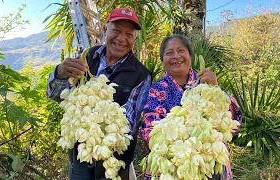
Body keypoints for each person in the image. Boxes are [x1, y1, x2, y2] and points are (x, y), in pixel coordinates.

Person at [46, 8, 151, 180]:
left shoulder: (141, 74)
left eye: (128, 34)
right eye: (116, 30)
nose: (121, 38)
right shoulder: (85, 57)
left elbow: (128, 124)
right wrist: (59, 73)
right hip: (80, 156)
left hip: (113, 162)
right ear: (105, 30)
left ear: (134, 39)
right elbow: (58, 96)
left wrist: (96, 135)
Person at [139, 34, 242, 180]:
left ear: (190, 55)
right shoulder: (156, 90)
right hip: (174, 165)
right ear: (163, 60)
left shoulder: (206, 83)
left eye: (181, 51)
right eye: (169, 53)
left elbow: (231, 121)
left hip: (210, 161)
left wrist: (215, 88)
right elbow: (150, 131)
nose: (176, 56)